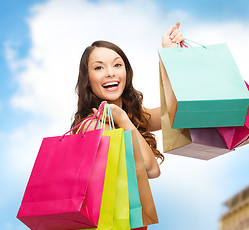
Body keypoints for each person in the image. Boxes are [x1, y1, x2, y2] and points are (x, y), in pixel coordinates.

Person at [71, 22, 184, 179]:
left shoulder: (132, 116)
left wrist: (169, 55)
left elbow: (179, 112)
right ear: (87, 79)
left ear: (127, 72)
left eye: (117, 65)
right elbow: (151, 170)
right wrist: (123, 119)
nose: (110, 73)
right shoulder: (93, 126)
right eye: (99, 68)